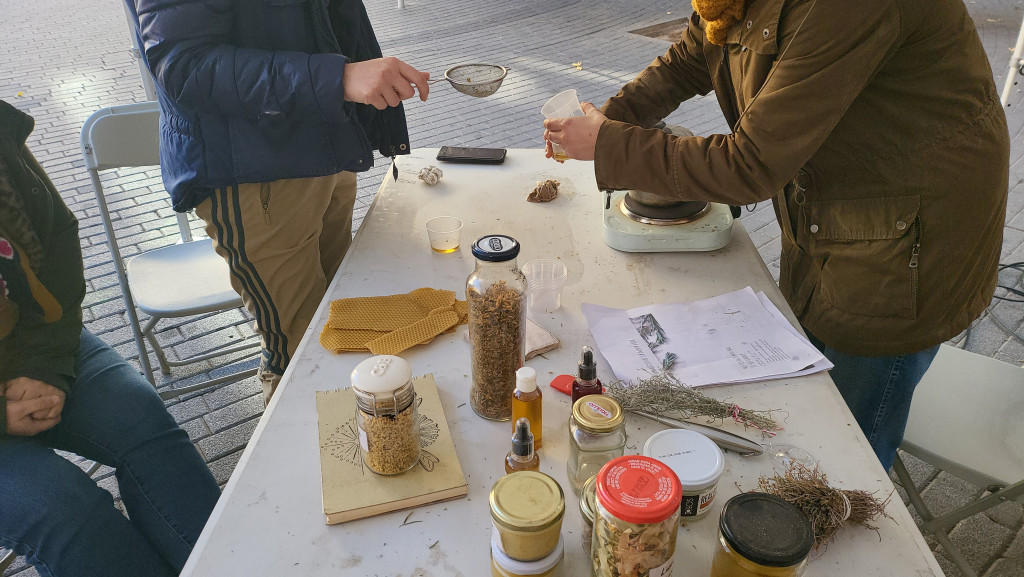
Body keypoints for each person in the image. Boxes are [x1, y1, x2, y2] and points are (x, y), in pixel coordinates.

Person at [543, 0, 1009, 470]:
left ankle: (850, 510)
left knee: (850, 444)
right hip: (837, 210)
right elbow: (691, 56)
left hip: (908, 236)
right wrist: (609, 118)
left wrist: (609, 143)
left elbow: (750, 165)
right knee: (811, 387)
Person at [124, 0, 431, 405]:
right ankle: (303, 461)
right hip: (255, 173)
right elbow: (184, 65)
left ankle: (357, 445)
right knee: (300, 353)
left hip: (326, 145)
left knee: (344, 325)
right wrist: (338, 78)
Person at [0, 99, 221, 577]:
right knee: (59, 507)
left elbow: (55, 239)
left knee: (142, 422)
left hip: (33, 344)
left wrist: (43, 365)